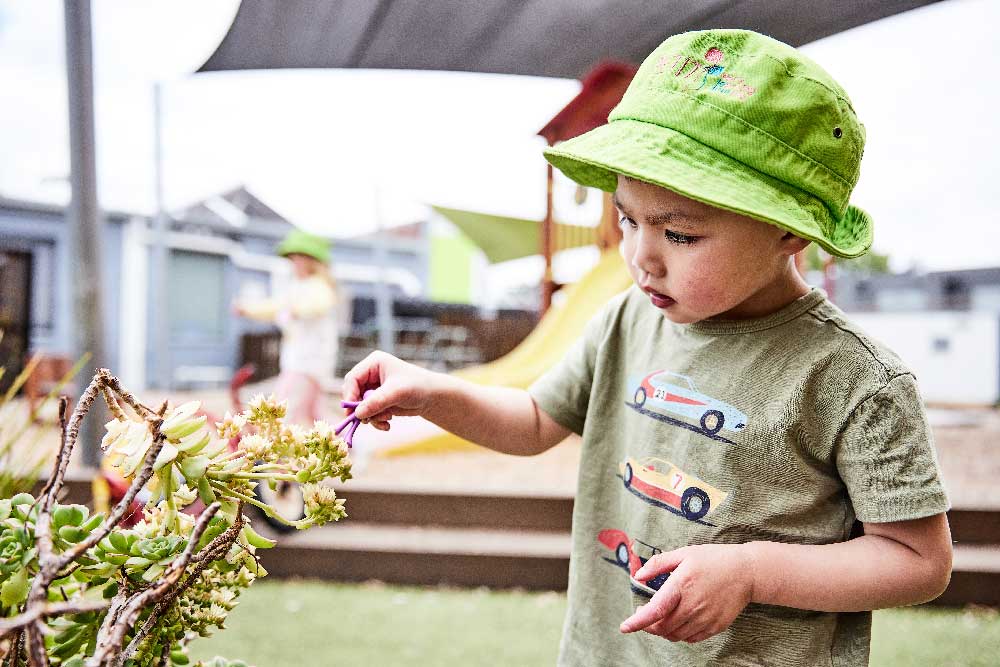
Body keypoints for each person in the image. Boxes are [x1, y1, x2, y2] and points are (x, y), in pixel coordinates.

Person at [342, 29, 952, 665]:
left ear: (788, 231)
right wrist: (434, 393)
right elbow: (532, 422)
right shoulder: (625, 319)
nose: (640, 258)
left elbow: (917, 560)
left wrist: (750, 571)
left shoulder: (855, 378)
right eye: (628, 219)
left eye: (681, 235)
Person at [236, 229, 340, 425]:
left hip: (308, 361)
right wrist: (247, 309)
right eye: (293, 259)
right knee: (315, 413)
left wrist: (297, 310)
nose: (295, 264)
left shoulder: (319, 286)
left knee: (282, 406)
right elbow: (274, 306)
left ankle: (272, 452)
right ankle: (350, 445)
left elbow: (319, 304)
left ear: (312, 261)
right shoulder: (296, 286)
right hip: (300, 359)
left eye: (299, 259)